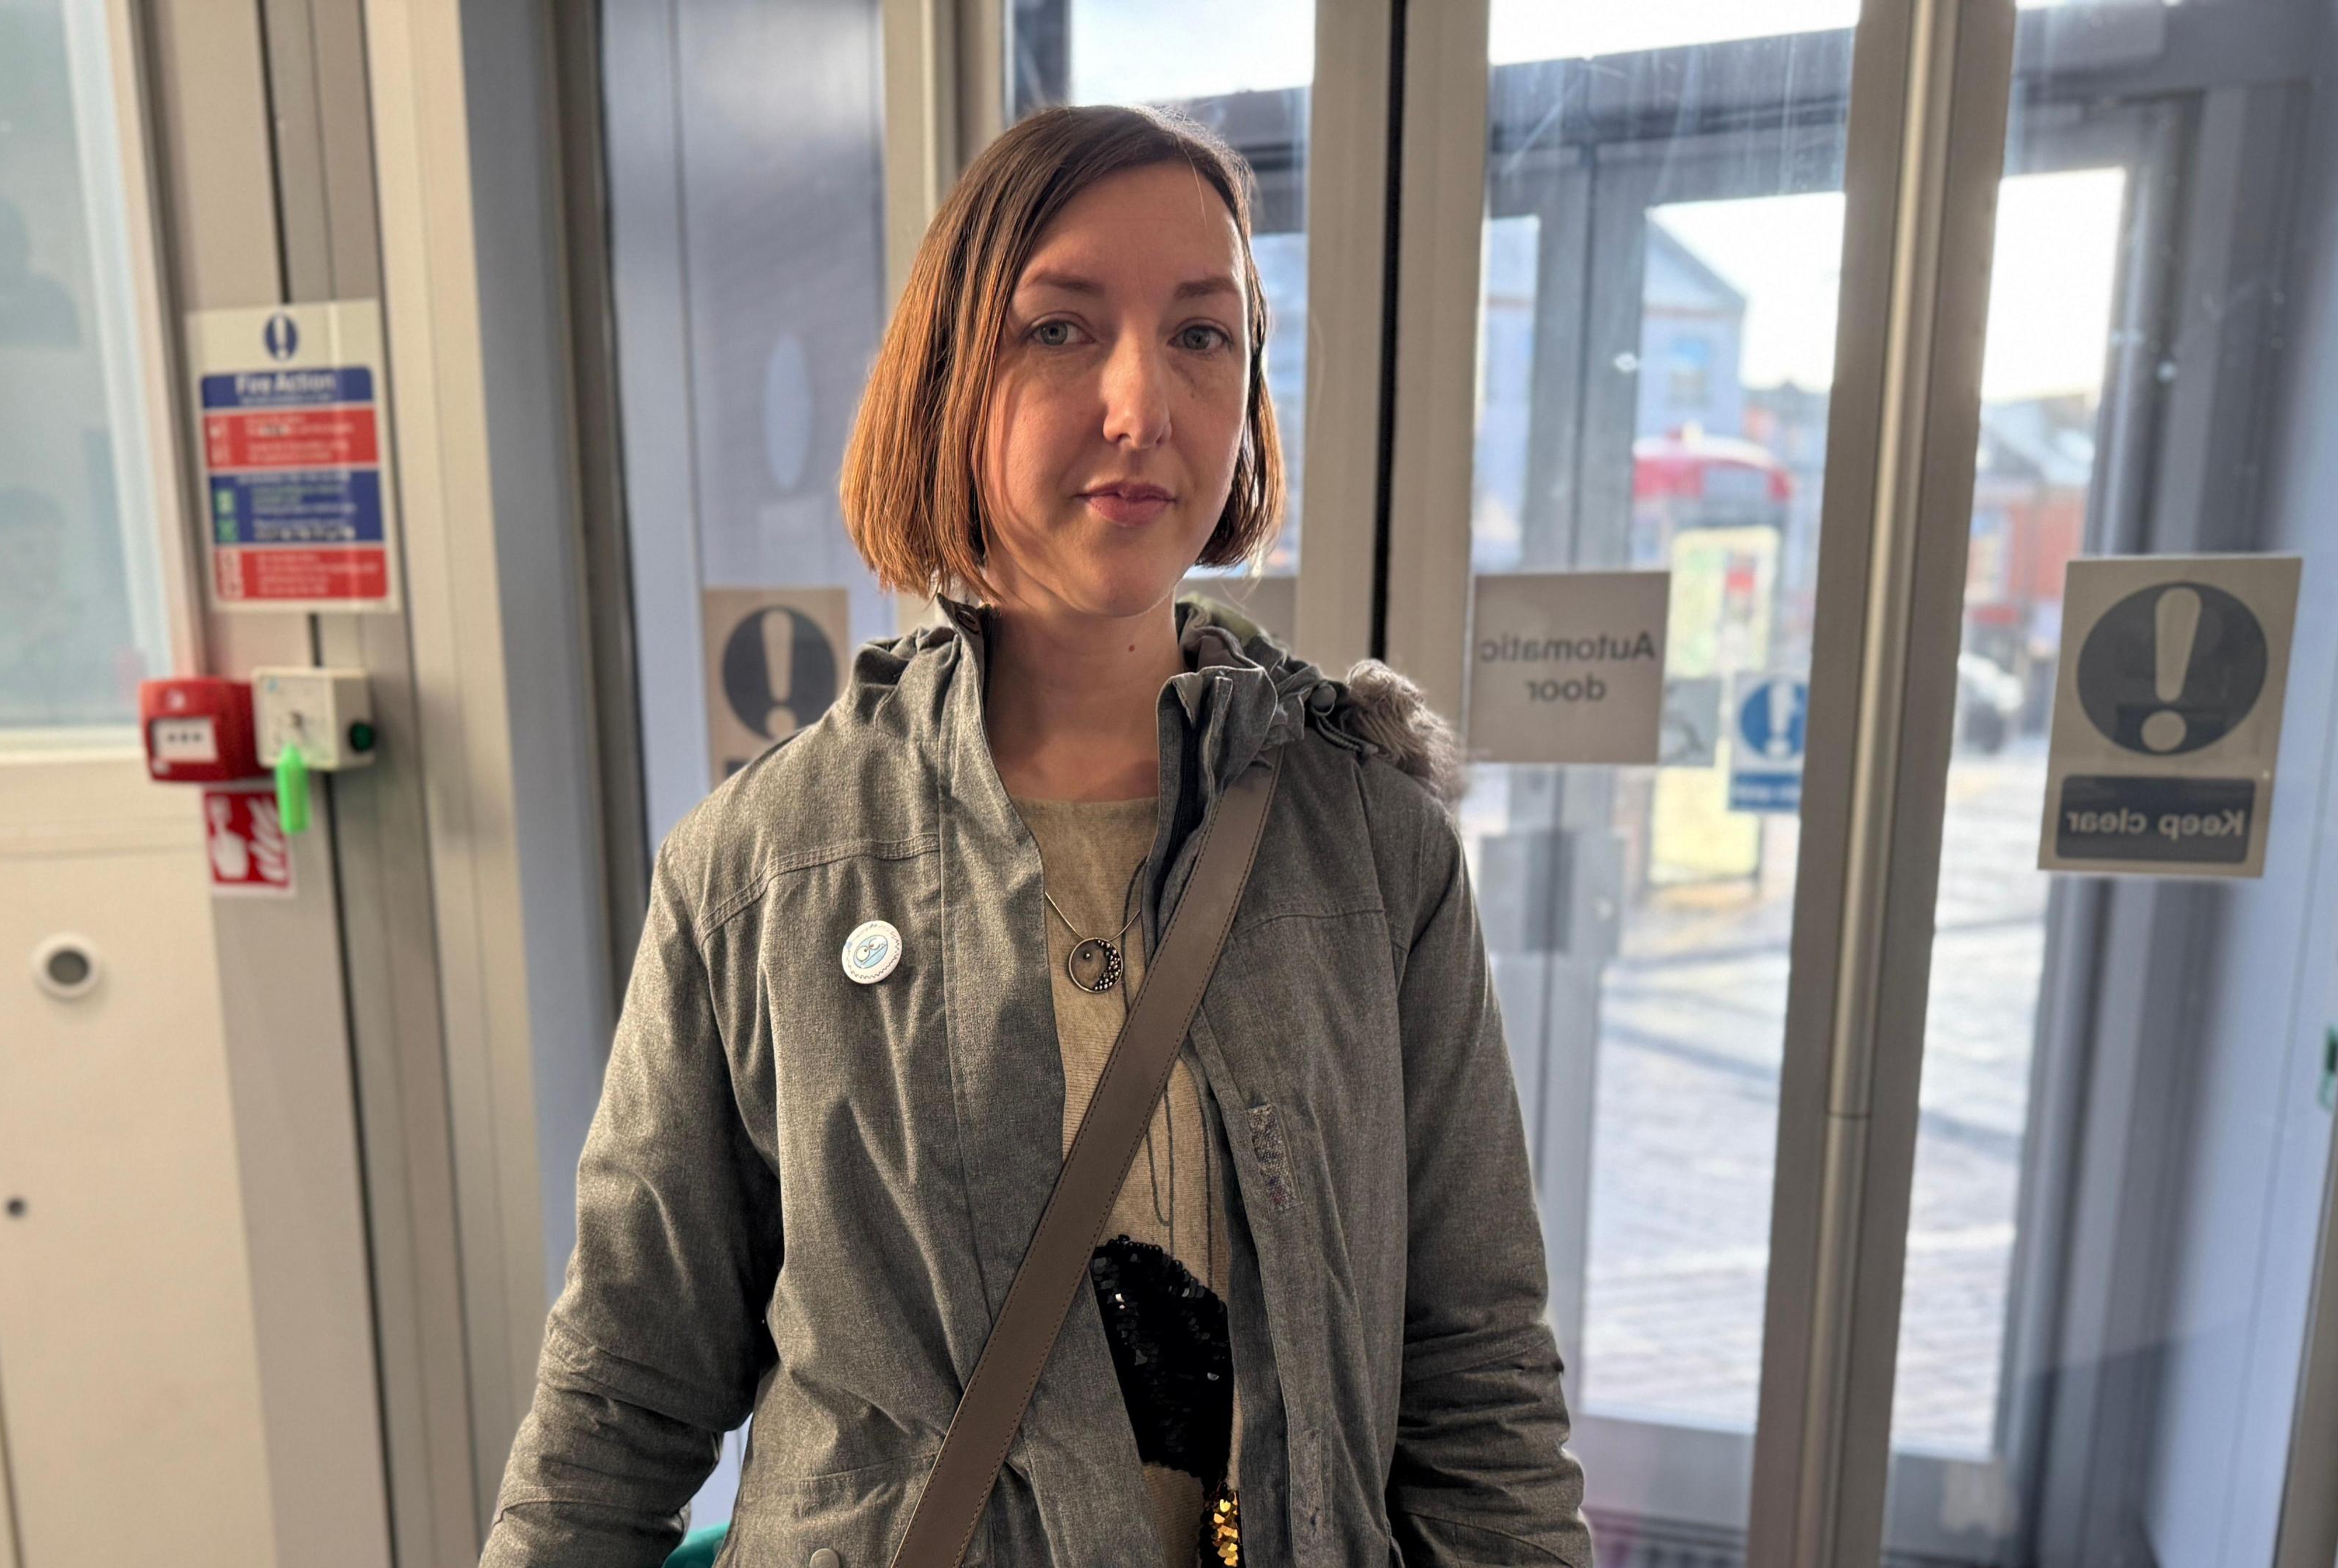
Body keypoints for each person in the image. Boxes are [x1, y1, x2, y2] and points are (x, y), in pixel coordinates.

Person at [481, 105, 1587, 1567]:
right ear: (952, 376)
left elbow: (1477, 1373)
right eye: (1062, 330)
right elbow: (624, 1395)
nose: (1146, 404)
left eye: (1203, 335)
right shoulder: (765, 869)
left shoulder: (1371, 851)